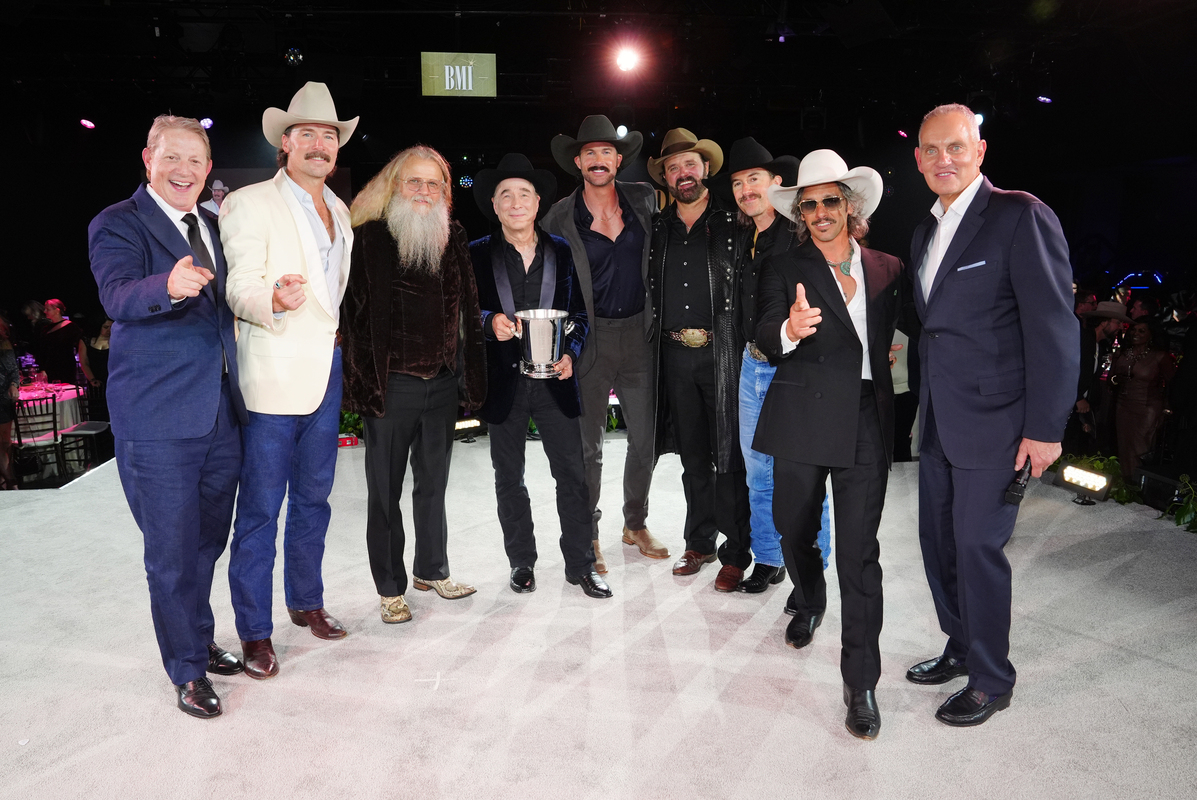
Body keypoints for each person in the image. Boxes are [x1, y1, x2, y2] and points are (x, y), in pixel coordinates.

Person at [907, 103, 1078, 727]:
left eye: (956, 147)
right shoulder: (926, 229)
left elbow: (1054, 328)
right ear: (919, 159)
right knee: (938, 545)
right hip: (938, 421)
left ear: (980, 151)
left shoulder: (1018, 215)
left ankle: (992, 677)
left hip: (999, 422)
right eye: (932, 150)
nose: (943, 159)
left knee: (977, 546)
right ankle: (960, 647)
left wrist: (1045, 428)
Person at [88, 114, 248, 718]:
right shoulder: (118, 222)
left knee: (206, 541)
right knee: (172, 549)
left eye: (196, 161)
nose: (184, 170)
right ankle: (185, 669)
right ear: (148, 159)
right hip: (157, 421)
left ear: (209, 171)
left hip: (219, 416)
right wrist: (170, 284)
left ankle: (197, 639)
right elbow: (117, 294)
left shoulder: (212, 224)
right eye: (172, 157)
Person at [754, 149, 908, 740]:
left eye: (829, 201)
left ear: (852, 206)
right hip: (800, 415)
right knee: (794, 528)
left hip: (866, 420)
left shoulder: (889, 268)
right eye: (809, 204)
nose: (819, 212)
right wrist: (788, 330)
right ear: (799, 213)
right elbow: (763, 330)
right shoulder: (782, 263)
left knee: (859, 555)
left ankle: (860, 682)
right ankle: (809, 595)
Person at [221, 82, 358, 679]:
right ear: (285, 143)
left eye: (329, 135)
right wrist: (272, 298)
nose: (320, 145)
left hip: (326, 373)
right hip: (273, 376)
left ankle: (306, 601)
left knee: (315, 500)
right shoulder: (249, 203)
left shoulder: (342, 210)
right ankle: (255, 631)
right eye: (308, 134)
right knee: (259, 511)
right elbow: (237, 284)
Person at [342, 145, 487, 624]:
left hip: (442, 384)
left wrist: (469, 377)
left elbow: (468, 312)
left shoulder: (455, 235)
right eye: (414, 182)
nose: (424, 192)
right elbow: (355, 320)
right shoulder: (370, 238)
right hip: (392, 386)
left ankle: (432, 569)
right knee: (384, 492)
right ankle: (390, 587)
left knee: (434, 485)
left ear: (445, 193)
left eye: (434, 184)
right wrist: (365, 385)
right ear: (395, 186)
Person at [469, 153, 608, 599]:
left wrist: (571, 352)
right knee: (509, 477)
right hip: (503, 384)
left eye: (523, 194)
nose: (515, 202)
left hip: (556, 382)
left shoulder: (561, 251)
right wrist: (490, 320)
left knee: (572, 474)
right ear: (494, 204)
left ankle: (581, 565)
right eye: (505, 194)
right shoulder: (475, 253)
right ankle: (522, 562)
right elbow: (461, 313)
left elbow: (581, 316)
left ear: (537, 202)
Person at [541, 116, 668, 572]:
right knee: (587, 446)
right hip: (588, 341)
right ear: (577, 162)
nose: (599, 160)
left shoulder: (644, 199)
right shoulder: (557, 216)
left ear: (619, 159)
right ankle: (589, 531)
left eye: (606, 152)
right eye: (589, 153)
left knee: (645, 440)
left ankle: (635, 523)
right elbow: (551, 283)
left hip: (640, 336)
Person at [704, 137, 824, 594]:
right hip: (751, 367)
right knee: (758, 472)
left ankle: (811, 570)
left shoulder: (801, 233)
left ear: (777, 182)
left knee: (805, 475)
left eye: (754, 179)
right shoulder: (740, 237)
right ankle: (770, 558)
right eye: (737, 183)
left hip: (794, 367)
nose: (745, 189)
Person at [646, 129, 752, 590]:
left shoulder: (734, 223)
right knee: (692, 458)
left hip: (722, 352)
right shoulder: (657, 227)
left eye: (690, 165)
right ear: (665, 178)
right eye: (673, 168)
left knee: (729, 455)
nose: (683, 174)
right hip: (673, 355)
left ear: (705, 168)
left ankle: (736, 550)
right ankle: (700, 542)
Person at [1110, 320, 1175, 480]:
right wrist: (1117, 379)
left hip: (1147, 408)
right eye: (1134, 330)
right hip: (1123, 405)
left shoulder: (1160, 356)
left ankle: (1139, 486)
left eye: (1141, 331)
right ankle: (1125, 483)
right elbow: (1110, 378)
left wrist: (1167, 409)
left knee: (1141, 448)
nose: (1135, 334)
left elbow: (1172, 384)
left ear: (1151, 334)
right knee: (1124, 446)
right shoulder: (1122, 353)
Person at [38, 299, 85, 384]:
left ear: (57, 310)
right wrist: (42, 368)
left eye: (48, 309)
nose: (45, 311)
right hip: (50, 367)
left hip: (65, 366)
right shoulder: (45, 328)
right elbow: (42, 350)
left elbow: (81, 344)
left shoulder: (71, 327)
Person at [0, 317, 19, 490]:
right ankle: (9, 482)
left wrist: (14, 385)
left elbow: (13, 371)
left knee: (5, 443)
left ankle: (8, 480)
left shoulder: (5, 346)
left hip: (2, 400)